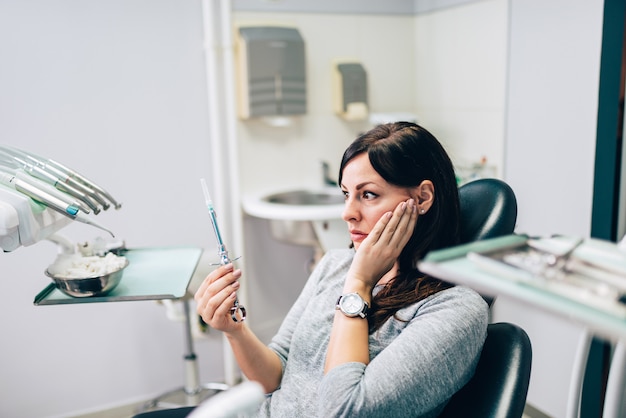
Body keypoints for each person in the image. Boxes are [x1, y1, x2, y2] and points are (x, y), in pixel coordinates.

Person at [194, 122, 489, 417]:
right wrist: (234, 331)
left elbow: (345, 411)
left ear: (422, 197)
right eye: (346, 194)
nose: (347, 212)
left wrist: (359, 284)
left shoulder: (455, 310)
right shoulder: (336, 265)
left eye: (368, 194)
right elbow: (275, 376)